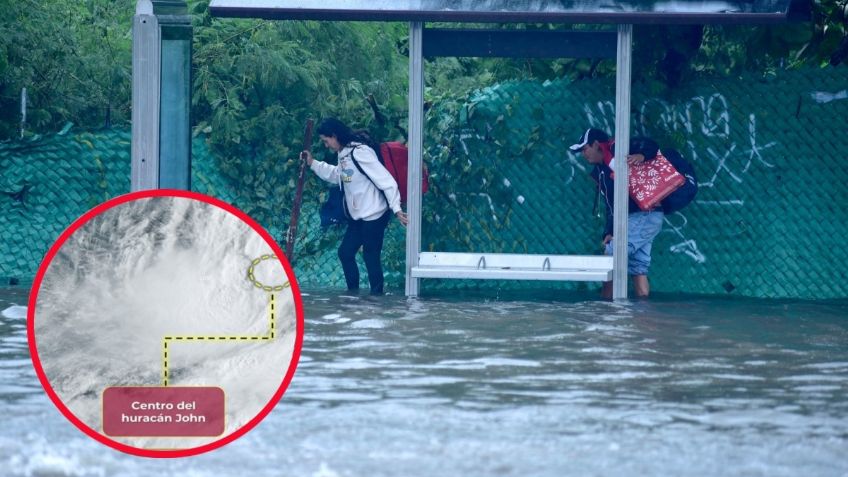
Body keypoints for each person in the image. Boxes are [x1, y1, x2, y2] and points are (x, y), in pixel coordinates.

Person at [302, 118, 409, 295]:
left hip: (375, 214)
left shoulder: (360, 152)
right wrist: (313, 163)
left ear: (334, 136)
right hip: (358, 216)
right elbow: (339, 175)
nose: (326, 145)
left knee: (370, 256)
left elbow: (386, 180)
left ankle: (377, 299)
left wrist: (396, 208)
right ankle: (353, 296)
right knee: (345, 253)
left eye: (326, 140)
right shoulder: (343, 153)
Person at [569, 128, 664, 298]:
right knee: (638, 267)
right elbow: (611, 205)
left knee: (611, 256)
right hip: (640, 217)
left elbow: (651, 145)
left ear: (596, 144)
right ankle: (644, 314)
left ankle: (607, 310)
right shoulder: (601, 171)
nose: (583, 154)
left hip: (645, 214)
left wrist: (641, 156)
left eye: (585, 149)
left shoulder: (617, 150)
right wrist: (609, 231)